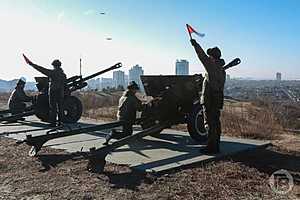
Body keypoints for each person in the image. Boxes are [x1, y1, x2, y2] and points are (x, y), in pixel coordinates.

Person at [190, 39, 226, 154]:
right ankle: (215, 146)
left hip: (210, 100)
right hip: (217, 99)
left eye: (210, 55)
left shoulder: (212, 67)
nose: (208, 57)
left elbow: (202, 56)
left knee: (210, 124)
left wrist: (195, 44)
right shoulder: (221, 70)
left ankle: (211, 147)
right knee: (216, 123)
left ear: (212, 57)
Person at [24, 56, 67, 127]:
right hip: (60, 93)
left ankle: (53, 123)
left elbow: (42, 70)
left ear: (54, 66)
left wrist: (32, 64)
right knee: (60, 108)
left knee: (53, 108)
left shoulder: (53, 73)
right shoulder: (63, 75)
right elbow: (65, 85)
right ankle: (60, 122)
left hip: (53, 92)